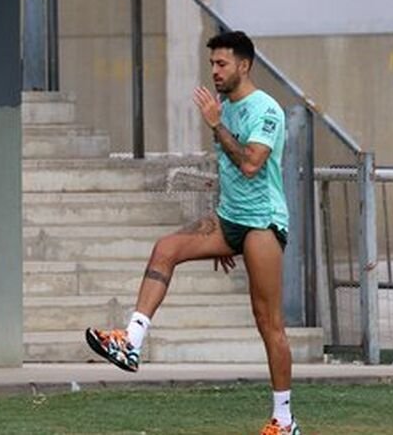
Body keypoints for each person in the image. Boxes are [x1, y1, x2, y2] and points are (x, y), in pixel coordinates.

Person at [85, 31, 302, 435]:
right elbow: (228, 173)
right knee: (165, 248)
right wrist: (220, 228)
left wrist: (218, 127)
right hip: (230, 220)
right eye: (212, 64)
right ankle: (131, 342)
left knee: (267, 322)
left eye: (222, 64)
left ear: (244, 65)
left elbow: (251, 165)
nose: (215, 71)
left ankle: (284, 421)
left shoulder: (264, 109)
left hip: (262, 225)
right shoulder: (223, 107)